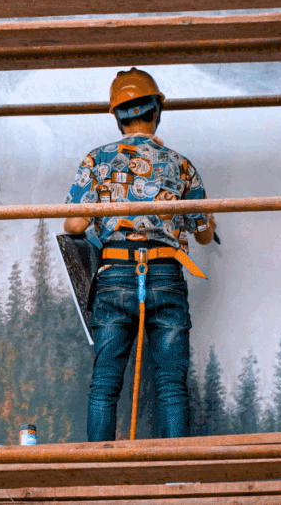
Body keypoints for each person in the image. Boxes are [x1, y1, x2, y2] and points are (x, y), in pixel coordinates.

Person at [64, 68, 216, 441]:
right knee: (170, 386)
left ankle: (97, 478)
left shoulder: (97, 160)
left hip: (116, 272)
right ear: (156, 111)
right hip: (164, 272)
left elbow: (73, 226)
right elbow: (204, 235)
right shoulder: (181, 164)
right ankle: (176, 480)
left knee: (104, 385)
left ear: (117, 116)